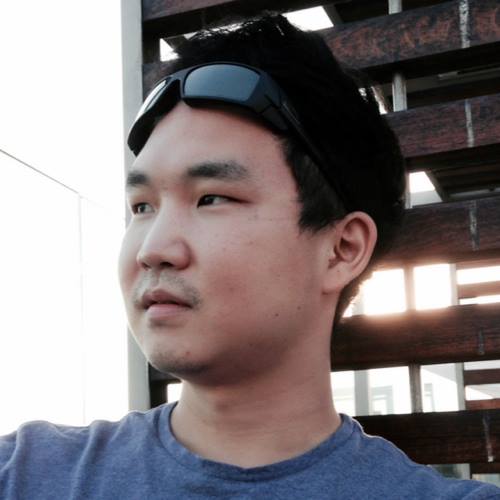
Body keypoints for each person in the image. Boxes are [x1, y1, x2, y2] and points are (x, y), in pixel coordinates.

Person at [1, 13, 499, 500]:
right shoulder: (24, 472)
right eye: (142, 207)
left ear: (341, 250)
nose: (153, 249)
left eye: (211, 198)